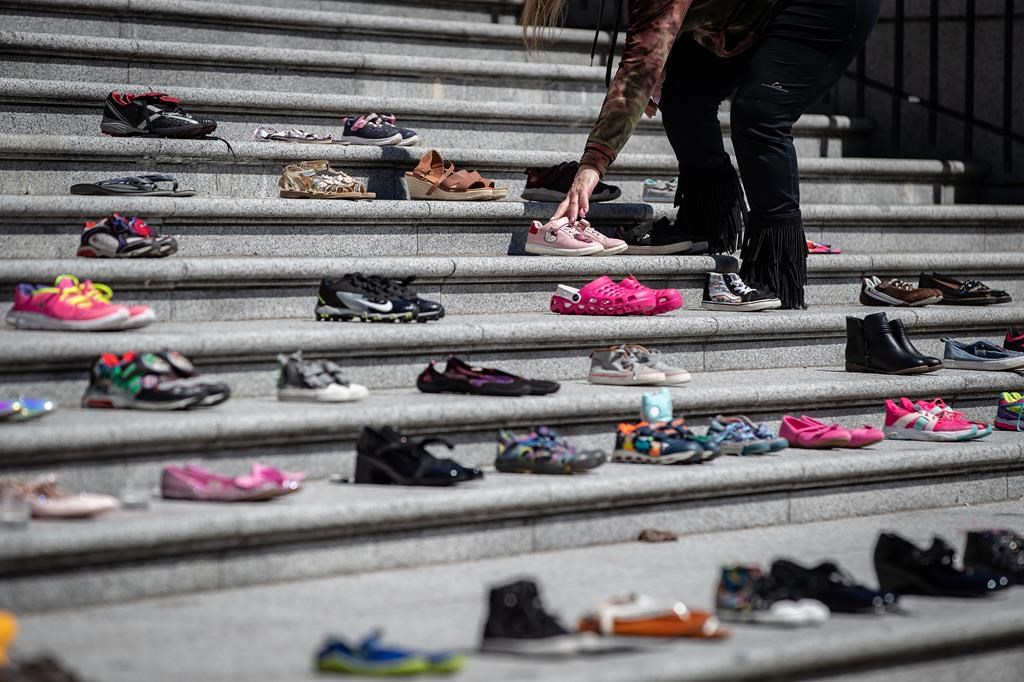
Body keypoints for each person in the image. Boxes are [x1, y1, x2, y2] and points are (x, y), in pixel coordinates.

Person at [522, 0, 881, 309]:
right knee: (683, 93)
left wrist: (592, 165)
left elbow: (638, 68)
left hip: (826, 8)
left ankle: (776, 272)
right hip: (751, 13)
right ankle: (704, 220)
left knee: (760, 113)